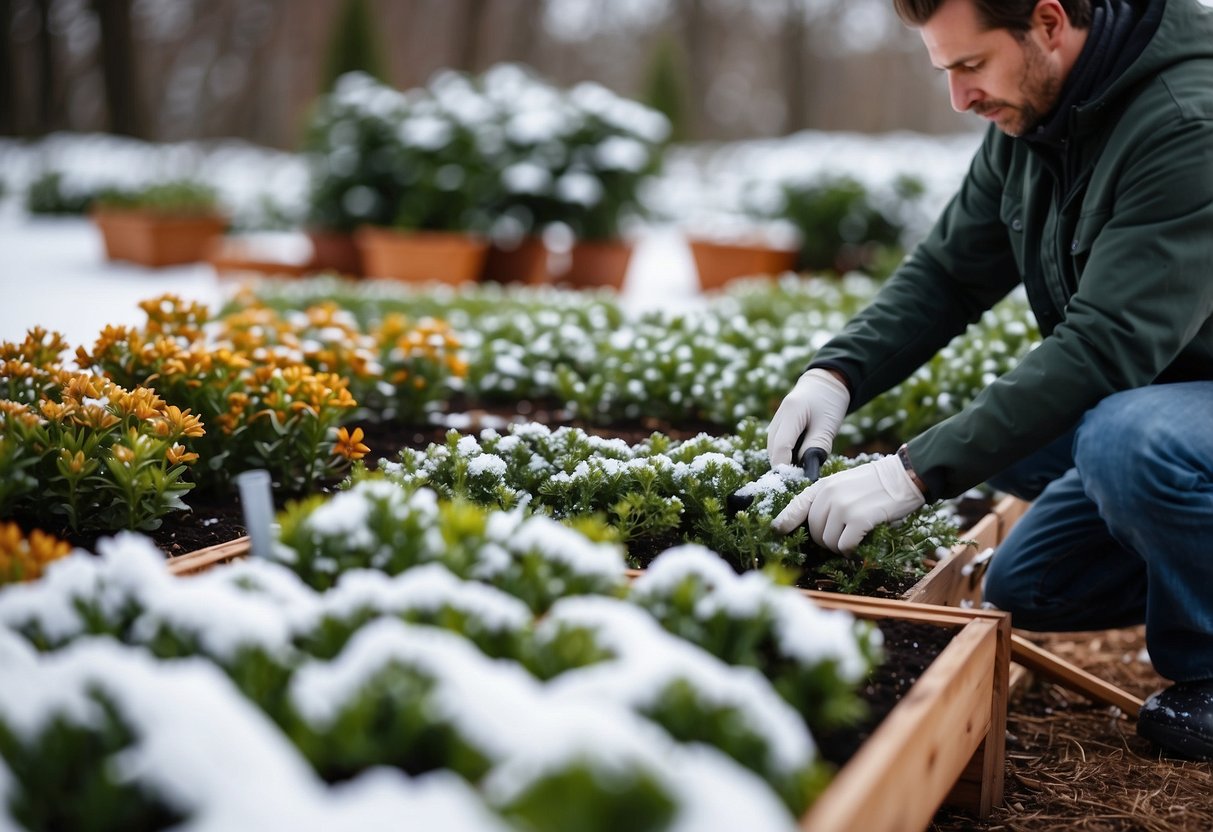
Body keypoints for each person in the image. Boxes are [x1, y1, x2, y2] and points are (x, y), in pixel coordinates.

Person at [767, 0, 1213, 760]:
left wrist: (907, 477)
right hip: (1177, 394)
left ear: (1047, 23)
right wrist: (837, 372)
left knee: (1121, 442)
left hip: (1163, 405)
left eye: (969, 66)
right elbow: (948, 273)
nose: (958, 97)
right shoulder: (1040, 113)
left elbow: (1104, 345)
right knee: (1029, 585)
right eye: (944, 70)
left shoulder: (1185, 122)